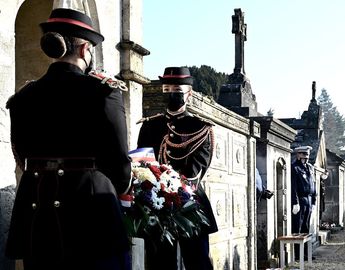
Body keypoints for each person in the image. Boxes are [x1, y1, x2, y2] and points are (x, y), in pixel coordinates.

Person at [5, 8, 132, 270]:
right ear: (85, 49)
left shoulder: (23, 98)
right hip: (91, 218)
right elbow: (119, 167)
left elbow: (21, 157)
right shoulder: (104, 93)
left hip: (37, 215)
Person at [137, 67, 218, 270]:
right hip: (156, 205)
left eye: (177, 88)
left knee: (197, 261)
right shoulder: (149, 127)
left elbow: (195, 172)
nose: (171, 92)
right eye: (167, 88)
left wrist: (172, 189)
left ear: (188, 93)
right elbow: (141, 164)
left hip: (190, 203)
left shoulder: (200, 127)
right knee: (159, 263)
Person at [291, 146, 316, 258]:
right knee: (298, 227)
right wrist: (295, 202)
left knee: (306, 227)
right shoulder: (295, 168)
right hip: (300, 199)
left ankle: (305, 253)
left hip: (309, 199)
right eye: (303, 154)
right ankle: (298, 253)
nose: (305, 157)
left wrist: (314, 201)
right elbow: (294, 187)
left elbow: (313, 185)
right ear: (298, 155)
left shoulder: (310, 168)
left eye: (307, 155)